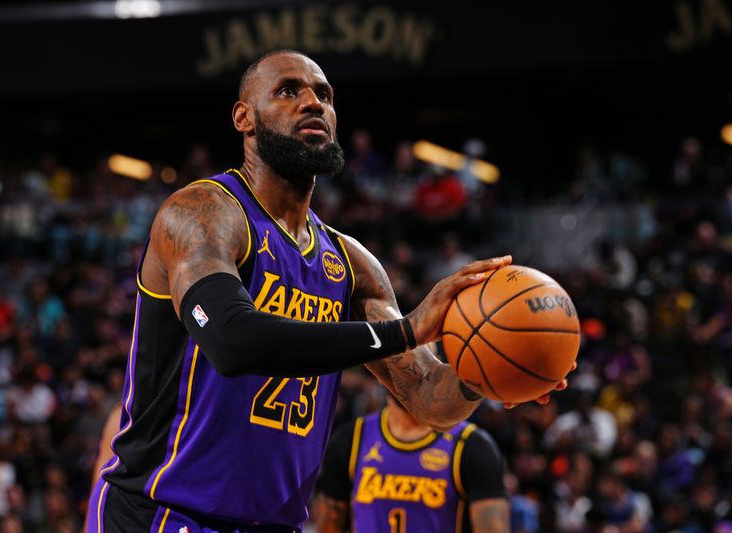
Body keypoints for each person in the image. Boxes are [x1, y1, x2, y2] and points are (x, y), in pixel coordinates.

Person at [86, 49, 568, 533]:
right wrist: (404, 331)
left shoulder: (351, 264)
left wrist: (490, 368)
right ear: (244, 118)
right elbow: (233, 341)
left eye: (324, 95)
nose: (312, 103)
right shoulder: (202, 213)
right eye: (288, 91)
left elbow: (428, 398)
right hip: (163, 512)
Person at [315, 393, 508, 533]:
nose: (410, 368)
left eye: (422, 355)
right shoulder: (352, 438)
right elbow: (329, 525)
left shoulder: (472, 445)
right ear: (383, 371)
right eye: (403, 356)